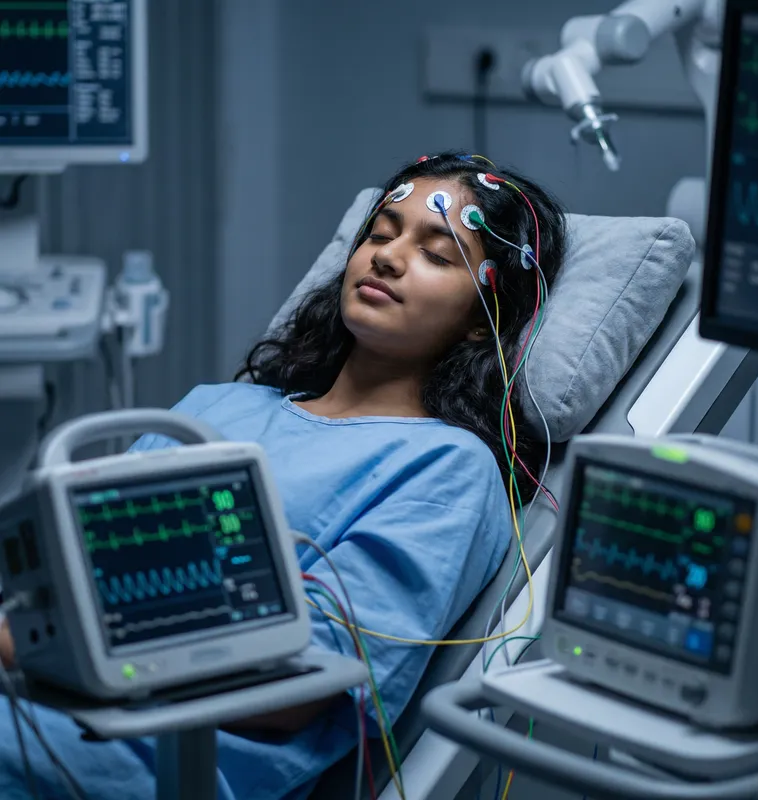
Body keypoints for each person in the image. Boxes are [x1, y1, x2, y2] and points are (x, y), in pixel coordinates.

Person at [0, 152, 567, 799]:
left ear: (479, 320)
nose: (386, 257)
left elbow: (305, 683)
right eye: (380, 235)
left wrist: (30, 646)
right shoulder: (219, 406)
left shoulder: (449, 470)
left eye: (437, 256)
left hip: (156, 759)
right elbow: (62, 562)